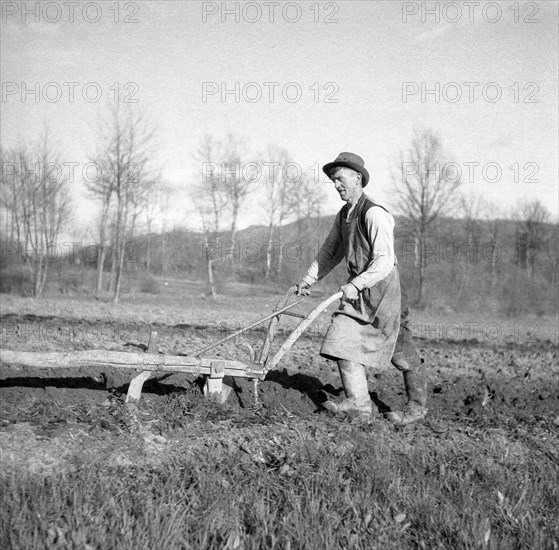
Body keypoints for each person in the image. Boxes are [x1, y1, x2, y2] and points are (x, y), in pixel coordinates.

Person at [295, 152, 427, 426]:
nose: (336, 184)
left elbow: (384, 261)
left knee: (401, 354)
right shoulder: (344, 215)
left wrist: (356, 284)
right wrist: (308, 280)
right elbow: (330, 252)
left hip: (385, 294)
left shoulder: (375, 214)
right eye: (333, 180)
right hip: (359, 292)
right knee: (340, 339)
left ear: (357, 178)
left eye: (340, 178)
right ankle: (358, 404)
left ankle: (417, 406)